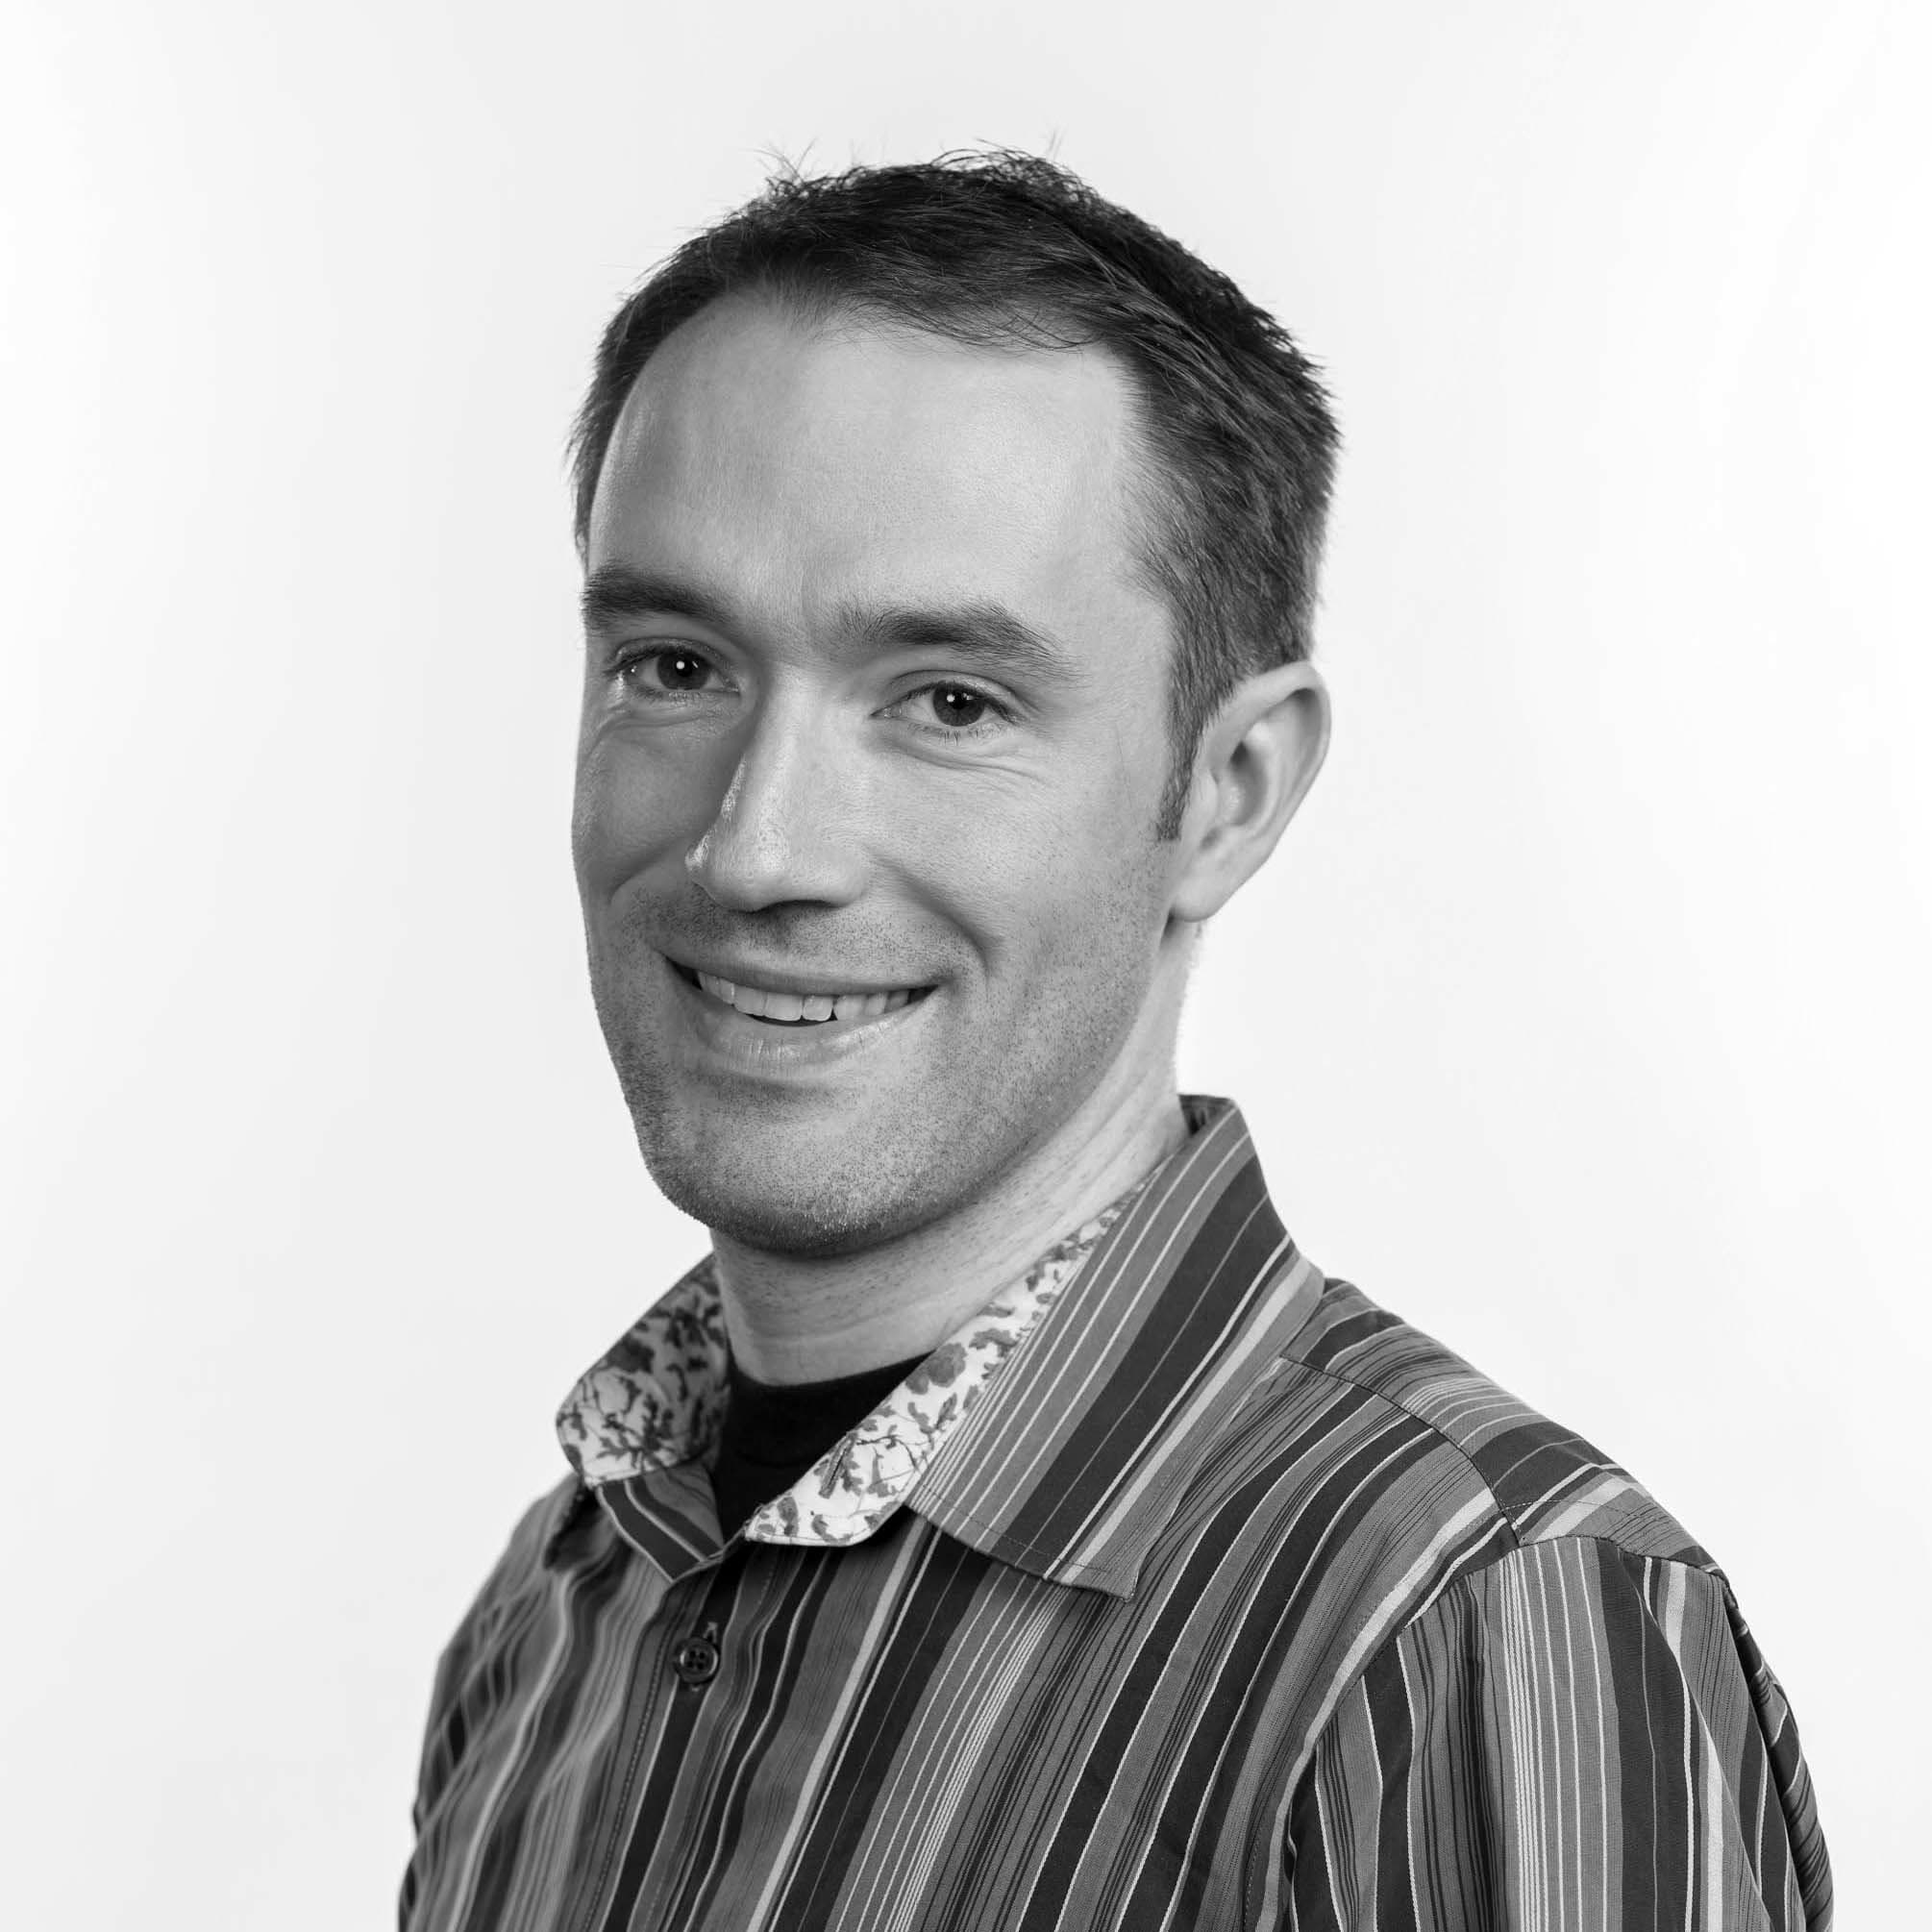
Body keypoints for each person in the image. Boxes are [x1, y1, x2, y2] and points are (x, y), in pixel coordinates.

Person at [400, 154, 1832, 1931]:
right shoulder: (552, 1618)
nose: (757, 848)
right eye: (675, 665)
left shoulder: (1474, 1627)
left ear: (1226, 793)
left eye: (949, 701)